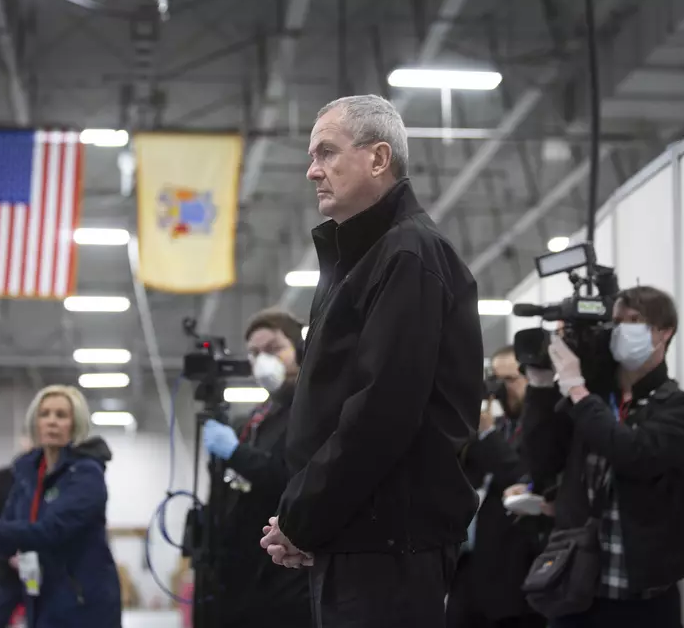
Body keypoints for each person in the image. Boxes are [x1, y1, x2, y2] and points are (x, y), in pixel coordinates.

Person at [259, 94, 484, 628]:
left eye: (327, 153)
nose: (313, 171)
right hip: (359, 536)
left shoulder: (408, 254)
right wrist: (310, 522)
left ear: (379, 159)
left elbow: (381, 413)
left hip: (389, 547)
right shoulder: (363, 258)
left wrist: (303, 516)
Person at [517, 286, 684, 627]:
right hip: (575, 586)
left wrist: (577, 388)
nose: (621, 329)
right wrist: (541, 388)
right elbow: (541, 461)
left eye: (634, 320)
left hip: (643, 596)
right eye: (615, 321)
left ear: (665, 332)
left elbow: (634, 454)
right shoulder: (590, 402)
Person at [0, 385, 122, 628]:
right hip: (41, 599)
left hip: (83, 605)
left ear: (75, 423)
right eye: (44, 414)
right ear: (35, 422)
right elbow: (9, 526)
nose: (51, 422)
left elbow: (52, 530)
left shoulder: (86, 475)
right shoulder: (26, 473)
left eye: (61, 415)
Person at [200, 308, 310, 628]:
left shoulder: (310, 410)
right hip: (244, 574)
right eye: (254, 353)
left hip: (287, 573)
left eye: (274, 349)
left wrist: (236, 453)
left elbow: (288, 477)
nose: (263, 360)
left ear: (299, 351)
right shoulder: (256, 416)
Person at [446, 351, 548, 628]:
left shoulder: (543, 428)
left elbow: (524, 477)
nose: (502, 389)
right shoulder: (493, 427)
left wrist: (488, 435)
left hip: (514, 575)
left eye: (510, 380)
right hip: (469, 570)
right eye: (496, 380)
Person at [0, 436, 33, 628]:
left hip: (40, 570)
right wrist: (10, 555)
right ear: (23, 440)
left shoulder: (51, 479)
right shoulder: (2, 478)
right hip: (5, 569)